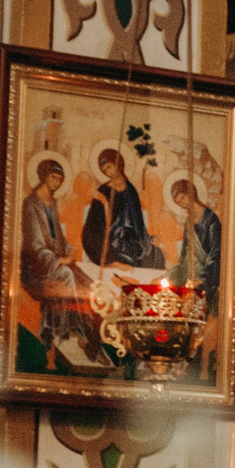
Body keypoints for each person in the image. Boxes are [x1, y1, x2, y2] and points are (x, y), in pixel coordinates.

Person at [17, 156, 99, 363]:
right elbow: (34, 245)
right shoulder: (31, 204)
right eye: (53, 178)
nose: (56, 183)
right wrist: (58, 261)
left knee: (86, 280)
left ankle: (84, 331)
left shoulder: (51, 203)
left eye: (60, 180)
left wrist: (69, 250)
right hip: (36, 267)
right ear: (43, 176)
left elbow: (58, 238)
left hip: (54, 260)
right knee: (66, 275)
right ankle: (73, 331)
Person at [81, 148, 164, 272]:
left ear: (118, 163)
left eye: (109, 167)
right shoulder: (103, 192)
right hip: (112, 242)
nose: (108, 172)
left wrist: (149, 240)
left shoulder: (131, 190)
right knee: (129, 260)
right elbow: (93, 227)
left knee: (157, 255)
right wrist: (108, 257)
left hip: (131, 240)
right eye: (104, 170)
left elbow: (138, 223)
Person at [167, 177, 222, 309]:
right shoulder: (189, 222)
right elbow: (185, 254)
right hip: (190, 272)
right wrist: (173, 275)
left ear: (191, 194)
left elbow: (216, 254)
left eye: (183, 198)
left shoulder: (210, 220)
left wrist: (202, 279)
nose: (182, 204)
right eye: (178, 202)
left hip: (208, 275)